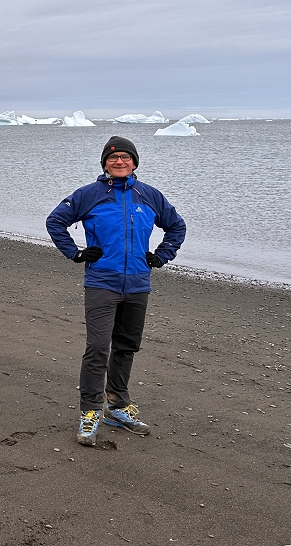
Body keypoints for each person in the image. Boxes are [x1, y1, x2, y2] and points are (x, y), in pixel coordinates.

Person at [45, 136, 185, 446]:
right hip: (102, 283)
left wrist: (162, 255)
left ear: (134, 163)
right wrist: (75, 252)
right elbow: (55, 221)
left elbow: (177, 226)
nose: (119, 161)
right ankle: (90, 412)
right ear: (104, 164)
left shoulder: (149, 195)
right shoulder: (89, 194)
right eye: (112, 158)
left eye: (125, 157)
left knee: (126, 346)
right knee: (98, 348)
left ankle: (118, 406)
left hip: (138, 284)